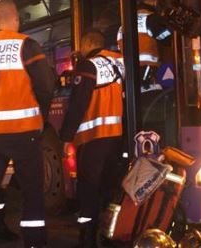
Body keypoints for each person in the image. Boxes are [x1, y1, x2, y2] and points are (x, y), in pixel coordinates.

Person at [0, 0, 55, 248]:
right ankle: (35, 242)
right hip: (24, 132)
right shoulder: (26, 45)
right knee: (32, 192)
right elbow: (46, 87)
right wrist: (42, 119)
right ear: (16, 18)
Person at [60, 31, 125, 247]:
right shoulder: (118, 62)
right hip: (115, 137)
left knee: (88, 190)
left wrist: (66, 136)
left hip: (92, 138)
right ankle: (109, 234)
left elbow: (79, 102)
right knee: (109, 188)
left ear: (88, 43)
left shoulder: (89, 66)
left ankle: (87, 237)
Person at [116, 0, 160, 87]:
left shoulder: (124, 23)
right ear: (155, 3)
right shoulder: (152, 19)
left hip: (128, 72)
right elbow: (168, 39)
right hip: (147, 70)